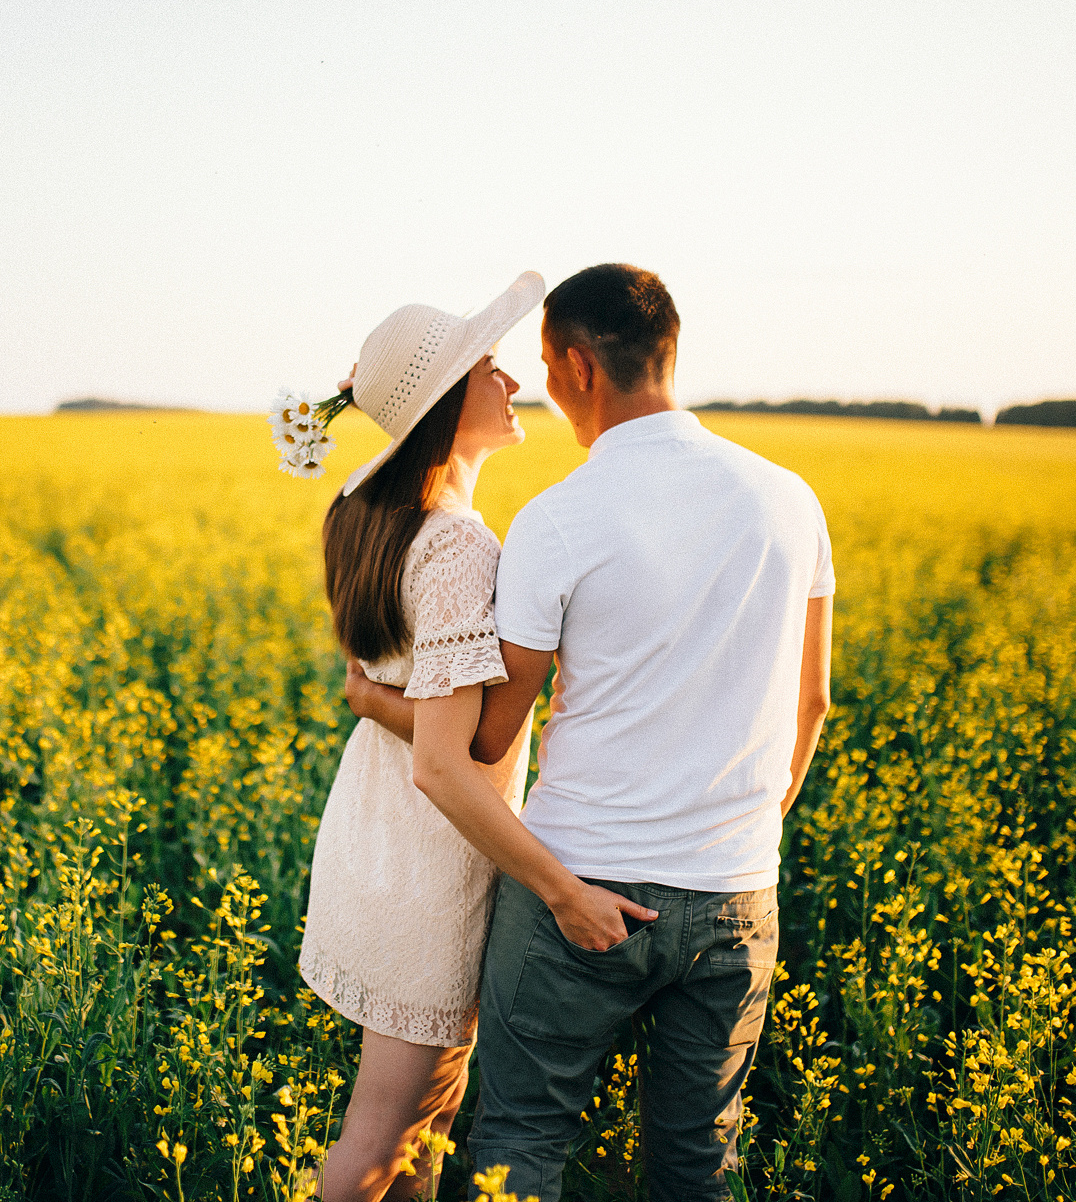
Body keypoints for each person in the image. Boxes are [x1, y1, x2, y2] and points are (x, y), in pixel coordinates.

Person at [346, 263, 834, 1201]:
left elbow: (489, 739)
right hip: (737, 892)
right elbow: (813, 703)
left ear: (576, 366)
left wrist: (381, 702)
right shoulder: (791, 499)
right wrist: (736, 835)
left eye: (540, 363)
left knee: (518, 1145)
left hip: (578, 889)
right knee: (698, 1158)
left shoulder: (558, 519)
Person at [298, 271, 656, 1202]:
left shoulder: (367, 508)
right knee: (386, 1133)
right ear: (448, 401)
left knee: (423, 1127)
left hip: (373, 845)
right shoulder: (459, 547)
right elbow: (449, 765)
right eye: (490, 369)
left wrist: (377, 704)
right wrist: (562, 888)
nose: (512, 383)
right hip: (432, 866)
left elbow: (398, 702)